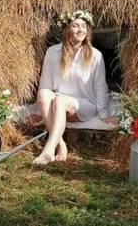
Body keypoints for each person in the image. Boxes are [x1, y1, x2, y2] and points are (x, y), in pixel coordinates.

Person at [32, 10, 117, 165]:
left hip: (85, 104)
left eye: (84, 26)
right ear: (67, 30)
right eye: (76, 25)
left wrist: (103, 114)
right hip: (59, 103)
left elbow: (100, 86)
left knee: (60, 101)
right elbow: (45, 84)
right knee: (44, 94)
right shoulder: (53, 52)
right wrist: (41, 112)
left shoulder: (95, 55)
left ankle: (48, 150)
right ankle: (61, 146)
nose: (81, 29)